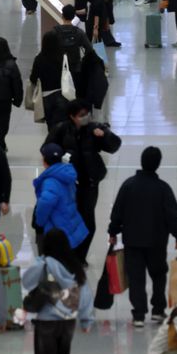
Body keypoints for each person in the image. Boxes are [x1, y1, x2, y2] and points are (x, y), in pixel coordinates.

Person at [22, 228, 94, 354]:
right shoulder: (75, 267)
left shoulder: (44, 264)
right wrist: (86, 319)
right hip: (68, 322)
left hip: (47, 322)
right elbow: (85, 293)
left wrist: (40, 263)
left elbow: (27, 282)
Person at [108, 146, 177, 327]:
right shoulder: (163, 188)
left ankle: (139, 314)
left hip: (132, 240)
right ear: (158, 164)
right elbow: (172, 215)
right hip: (157, 241)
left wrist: (113, 231)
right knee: (158, 274)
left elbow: (117, 211)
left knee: (136, 277)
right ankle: (158, 310)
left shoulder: (128, 185)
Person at [46, 100, 121, 261]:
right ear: (72, 116)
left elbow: (115, 145)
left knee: (87, 220)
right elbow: (47, 149)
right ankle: (69, 254)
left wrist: (105, 135)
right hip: (68, 184)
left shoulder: (94, 129)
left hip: (89, 183)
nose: (85, 117)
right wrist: (59, 158)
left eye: (87, 114)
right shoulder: (61, 129)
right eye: (81, 115)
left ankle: (80, 256)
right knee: (69, 219)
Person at [33, 143, 88, 252]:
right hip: (70, 222)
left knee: (53, 260)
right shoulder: (66, 173)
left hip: (57, 230)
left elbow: (45, 203)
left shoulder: (50, 181)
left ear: (45, 160)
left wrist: (39, 223)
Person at [29, 33, 67, 129]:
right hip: (61, 94)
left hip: (45, 97)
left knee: (50, 125)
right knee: (60, 124)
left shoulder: (39, 59)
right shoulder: (62, 57)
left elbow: (33, 78)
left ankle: (52, 137)